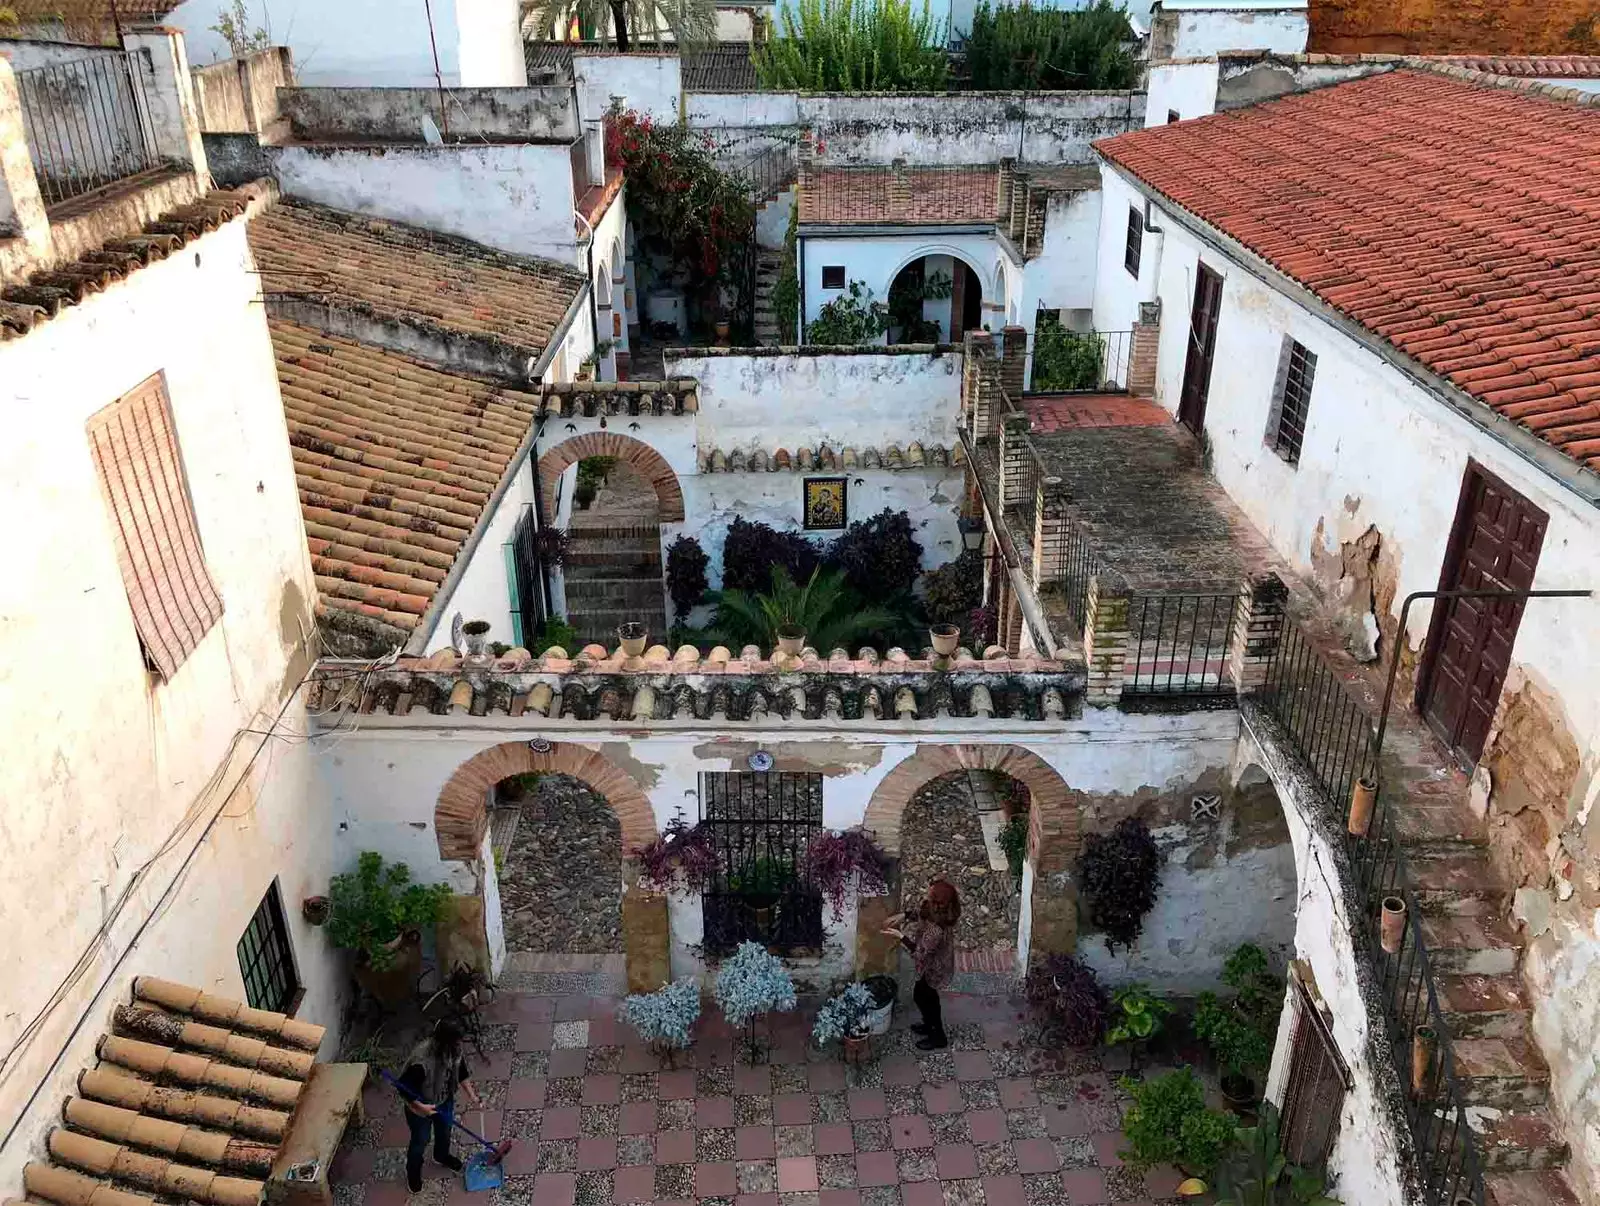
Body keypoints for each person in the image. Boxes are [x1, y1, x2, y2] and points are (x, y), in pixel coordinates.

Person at [397, 1020, 483, 1191]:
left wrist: (473, 1096)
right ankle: (413, 1174)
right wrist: (421, 1107)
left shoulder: (454, 1050)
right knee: (420, 1141)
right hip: (420, 1109)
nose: (460, 1044)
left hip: (444, 1100)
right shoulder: (421, 1061)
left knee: (445, 1130)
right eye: (457, 1041)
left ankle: (441, 1156)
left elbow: (462, 1072)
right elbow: (403, 1088)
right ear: (445, 1041)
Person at [883, 879, 960, 1050]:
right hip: (931, 963)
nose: (926, 892)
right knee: (924, 996)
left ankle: (937, 1036)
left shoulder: (936, 930)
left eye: (930, 893)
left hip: (935, 968)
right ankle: (930, 1025)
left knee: (926, 997)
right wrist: (903, 916)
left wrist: (900, 936)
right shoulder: (936, 910)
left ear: (938, 902)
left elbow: (920, 954)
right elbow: (922, 912)